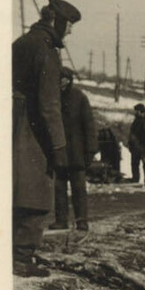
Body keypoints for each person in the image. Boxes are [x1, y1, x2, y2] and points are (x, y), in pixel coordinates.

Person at [12, 0, 82, 276]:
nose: (70, 32)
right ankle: (21, 255)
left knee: (13, 186)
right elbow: (49, 105)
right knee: (38, 190)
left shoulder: (22, 42)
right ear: (57, 21)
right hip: (31, 129)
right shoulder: (47, 52)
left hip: (9, 121)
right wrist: (59, 147)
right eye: (69, 25)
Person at [50, 68, 98, 231]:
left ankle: (81, 220)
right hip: (60, 152)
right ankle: (61, 220)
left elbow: (89, 126)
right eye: (59, 79)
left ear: (69, 80)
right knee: (59, 188)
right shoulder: (53, 98)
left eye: (63, 79)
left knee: (79, 188)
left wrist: (91, 150)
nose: (60, 82)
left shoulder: (79, 98)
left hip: (77, 153)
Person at [127, 104, 145, 185]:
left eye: (136, 111)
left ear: (141, 111)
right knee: (134, 164)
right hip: (136, 146)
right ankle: (135, 179)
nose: (135, 113)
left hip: (144, 146)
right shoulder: (136, 120)